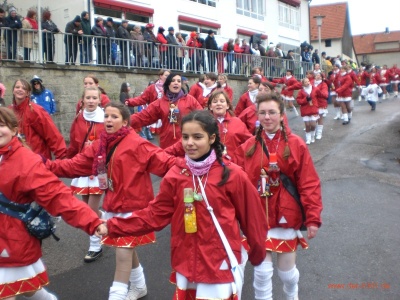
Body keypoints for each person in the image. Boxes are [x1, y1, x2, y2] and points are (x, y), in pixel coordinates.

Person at [106, 109, 268, 299]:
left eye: (197, 137)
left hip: (219, 264)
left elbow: (253, 221)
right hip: (186, 261)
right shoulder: (176, 174)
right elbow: (155, 214)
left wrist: (258, 255)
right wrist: (111, 226)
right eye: (185, 137)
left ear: (212, 138)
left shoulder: (233, 175)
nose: (189, 143)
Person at [45, 102, 176, 300]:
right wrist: (45, 166)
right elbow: (75, 165)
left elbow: (167, 163)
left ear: (125, 122)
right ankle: (140, 286)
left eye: (114, 116)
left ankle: (117, 295)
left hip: (135, 209)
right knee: (126, 249)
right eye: (106, 116)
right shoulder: (101, 144)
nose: (108, 120)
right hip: (114, 204)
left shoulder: (138, 144)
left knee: (123, 253)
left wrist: (197, 166)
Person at [0, 107, 107, 300]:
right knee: (29, 289)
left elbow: (58, 196)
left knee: (9, 290)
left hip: (11, 239)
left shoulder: (26, 161)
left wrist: (92, 221)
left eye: (1, 125)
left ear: (15, 130)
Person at [234, 92, 322, 300]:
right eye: (262, 113)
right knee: (262, 273)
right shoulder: (248, 147)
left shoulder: (296, 144)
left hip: (286, 216)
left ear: (282, 115)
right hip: (257, 218)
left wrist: (313, 218)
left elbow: (308, 183)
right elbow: (234, 179)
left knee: (287, 275)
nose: (267, 117)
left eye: (272, 112)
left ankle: (292, 296)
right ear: (257, 115)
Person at [66, 87, 106, 263]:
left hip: (99, 168)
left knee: (89, 210)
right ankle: (102, 218)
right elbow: (74, 143)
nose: (90, 101)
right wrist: (68, 163)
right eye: (87, 98)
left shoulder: (106, 118)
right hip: (82, 167)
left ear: (99, 100)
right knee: (88, 207)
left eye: (94, 98)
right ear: (82, 100)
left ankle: (95, 245)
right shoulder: (78, 118)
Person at [166, 90, 252, 159]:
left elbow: (250, 143)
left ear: (227, 106)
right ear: (210, 106)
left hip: (231, 166)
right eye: (215, 102)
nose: (218, 103)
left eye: (222, 101)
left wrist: (238, 158)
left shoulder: (237, 122)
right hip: (206, 165)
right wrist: (162, 154)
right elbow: (182, 144)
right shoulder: (201, 122)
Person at [130, 73, 203, 148]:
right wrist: (124, 121)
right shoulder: (160, 102)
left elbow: (203, 116)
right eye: (173, 80)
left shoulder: (190, 100)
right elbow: (144, 116)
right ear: (168, 84)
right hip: (167, 143)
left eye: (178, 81)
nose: (176, 83)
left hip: (186, 142)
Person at [9, 79, 66, 160]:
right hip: (17, 159)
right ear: (13, 91)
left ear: (28, 93)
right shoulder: (9, 111)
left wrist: (62, 157)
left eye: (24, 88)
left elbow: (52, 134)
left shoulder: (36, 111)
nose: (20, 89)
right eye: (17, 87)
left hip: (37, 158)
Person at [296, 78, 320, 144]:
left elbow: (319, 97)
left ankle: (312, 136)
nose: (307, 83)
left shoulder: (315, 89)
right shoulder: (301, 91)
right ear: (303, 84)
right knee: (307, 125)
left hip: (313, 108)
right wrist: (305, 99)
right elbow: (298, 101)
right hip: (305, 109)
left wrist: (319, 105)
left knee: (313, 125)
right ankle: (308, 139)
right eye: (305, 82)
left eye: (308, 81)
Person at [313, 73, 329, 140]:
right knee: (313, 119)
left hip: (320, 103)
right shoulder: (311, 83)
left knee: (319, 118)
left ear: (322, 78)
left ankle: (319, 133)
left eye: (319, 76)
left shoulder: (324, 84)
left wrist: (316, 91)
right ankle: (313, 132)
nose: (318, 77)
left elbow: (325, 95)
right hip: (312, 104)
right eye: (316, 75)